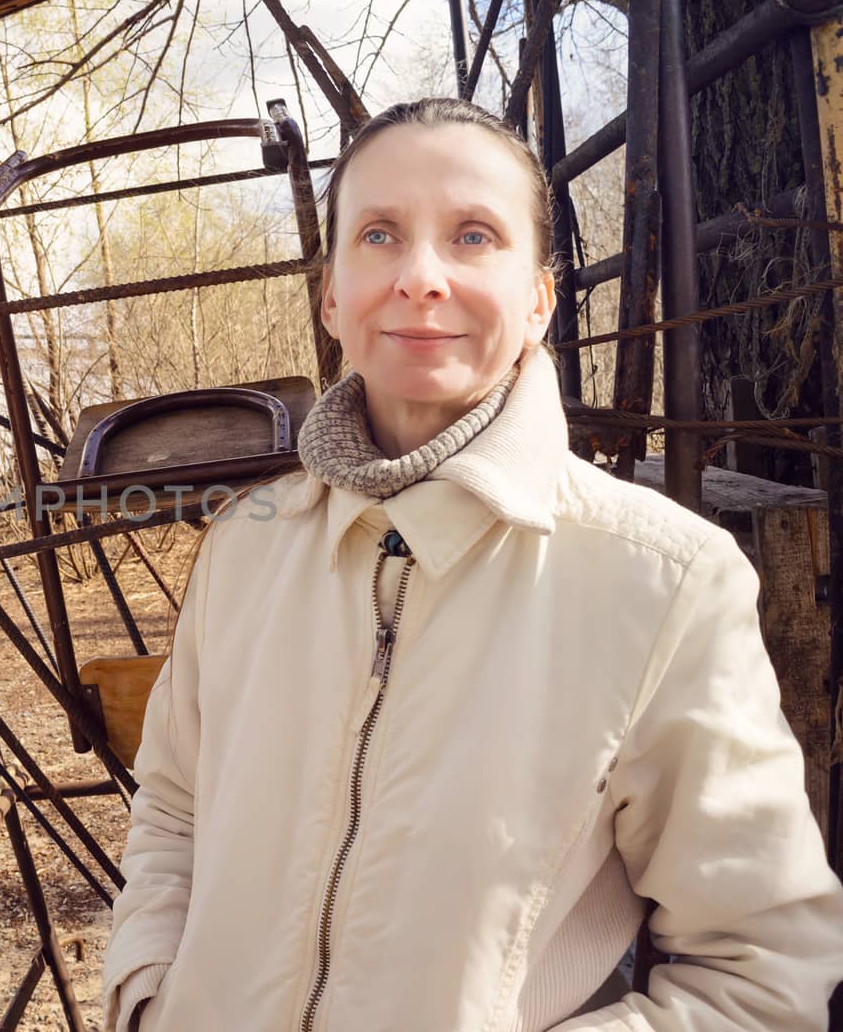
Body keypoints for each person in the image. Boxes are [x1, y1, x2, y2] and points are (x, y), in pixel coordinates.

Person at [99, 97, 843, 1031]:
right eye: (378, 234)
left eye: (473, 235)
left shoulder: (661, 583)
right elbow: (172, 811)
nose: (419, 277)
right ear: (331, 292)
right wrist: (145, 996)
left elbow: (762, 970)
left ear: (539, 295)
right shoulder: (245, 545)